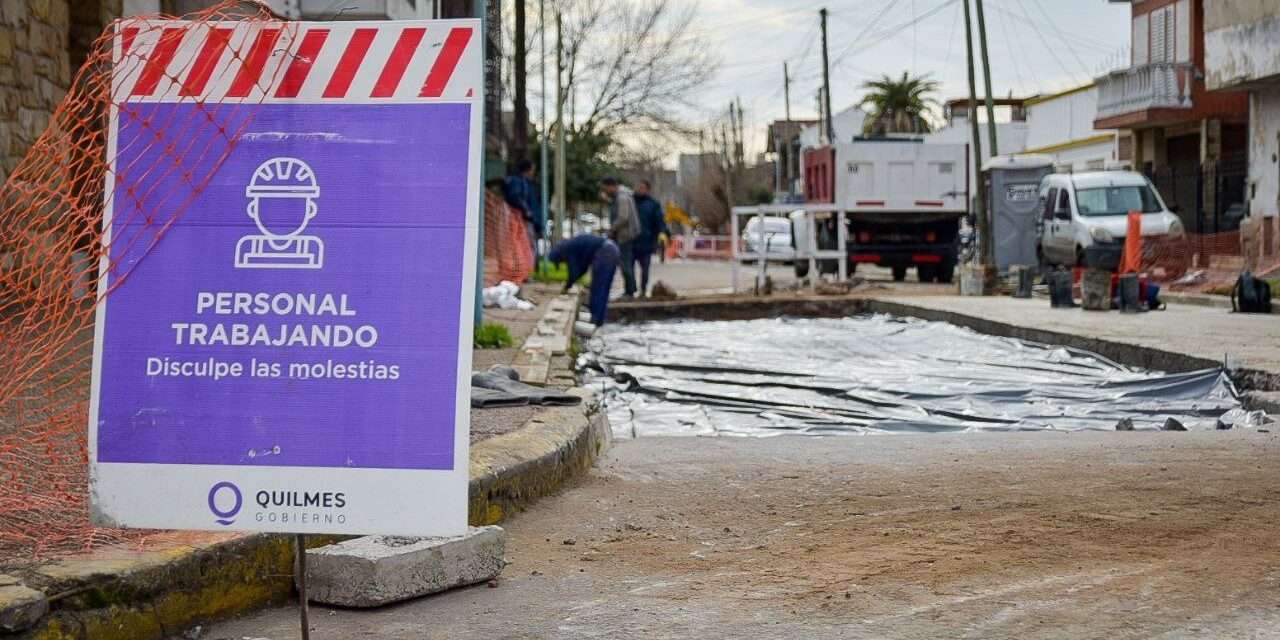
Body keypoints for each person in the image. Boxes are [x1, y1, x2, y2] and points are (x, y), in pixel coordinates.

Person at [547, 234, 620, 326]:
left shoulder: (568, 249)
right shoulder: (573, 244)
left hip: (604, 252)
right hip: (613, 249)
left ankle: (595, 320)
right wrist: (570, 282)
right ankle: (599, 321)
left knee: (597, 288)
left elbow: (574, 272)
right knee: (604, 289)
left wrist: (567, 287)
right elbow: (582, 269)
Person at [601, 176, 640, 298]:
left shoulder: (622, 197)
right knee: (625, 262)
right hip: (624, 235)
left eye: (605, 188)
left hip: (625, 235)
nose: (605, 191)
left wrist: (612, 229)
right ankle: (630, 289)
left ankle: (630, 291)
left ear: (611, 186)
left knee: (625, 263)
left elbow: (623, 217)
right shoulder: (620, 196)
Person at [632, 180, 669, 295]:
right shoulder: (630, 201)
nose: (640, 190)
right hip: (631, 240)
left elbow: (659, 220)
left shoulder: (653, 204)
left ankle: (643, 289)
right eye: (638, 187)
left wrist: (662, 232)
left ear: (647, 190)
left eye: (642, 188)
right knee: (628, 267)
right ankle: (631, 289)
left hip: (647, 241)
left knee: (645, 268)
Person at [504, 159, 543, 263]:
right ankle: (523, 271)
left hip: (527, 219)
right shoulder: (518, 182)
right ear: (528, 170)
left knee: (526, 245)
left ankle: (524, 271)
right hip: (523, 219)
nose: (533, 172)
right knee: (525, 245)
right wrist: (527, 211)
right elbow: (515, 197)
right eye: (532, 169)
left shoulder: (527, 183)